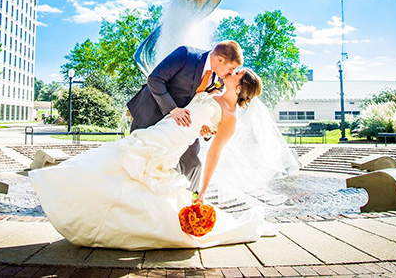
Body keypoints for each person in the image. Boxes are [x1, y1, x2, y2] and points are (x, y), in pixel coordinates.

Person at [29, 68, 274, 250]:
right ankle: (76, 200)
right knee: (114, 162)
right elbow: (196, 107)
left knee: (130, 169)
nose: (231, 72)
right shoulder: (214, 89)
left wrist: (202, 192)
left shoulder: (230, 117)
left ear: (240, 87)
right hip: (161, 130)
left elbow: (214, 154)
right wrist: (202, 124)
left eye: (236, 73)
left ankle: (105, 220)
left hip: (170, 145)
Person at [127, 40, 243, 191]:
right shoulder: (186, 55)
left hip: (183, 126)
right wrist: (173, 109)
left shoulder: (220, 79)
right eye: (231, 68)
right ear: (220, 59)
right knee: (138, 157)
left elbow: (206, 105)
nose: (231, 73)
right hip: (152, 113)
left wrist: (206, 129)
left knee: (193, 164)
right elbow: (155, 80)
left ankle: (189, 202)